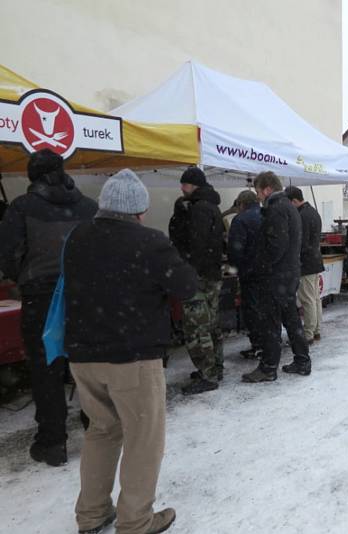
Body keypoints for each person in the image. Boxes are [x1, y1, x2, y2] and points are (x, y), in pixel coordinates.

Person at [64, 169, 196, 534]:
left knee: (101, 432)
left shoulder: (77, 236)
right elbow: (186, 285)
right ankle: (135, 521)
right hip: (132, 358)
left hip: (83, 355)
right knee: (143, 438)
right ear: (139, 210)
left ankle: (91, 515)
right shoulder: (149, 242)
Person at [0, 149, 97, 466]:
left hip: (41, 297)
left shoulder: (21, 208)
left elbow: (8, 257)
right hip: (85, 295)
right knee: (87, 363)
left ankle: (53, 442)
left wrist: (27, 278)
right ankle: (95, 425)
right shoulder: (88, 206)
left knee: (45, 369)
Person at [242, 172, 311, 382]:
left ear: (267, 189)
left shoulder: (276, 209)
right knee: (291, 319)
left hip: (276, 277)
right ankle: (302, 360)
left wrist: (260, 266)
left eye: (258, 192)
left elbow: (276, 246)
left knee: (270, 323)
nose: (258, 197)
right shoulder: (289, 207)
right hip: (288, 274)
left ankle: (269, 366)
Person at [169, 167, 225, 395]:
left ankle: (208, 373)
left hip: (197, 275)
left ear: (193, 185)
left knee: (196, 325)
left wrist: (178, 216)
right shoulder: (212, 206)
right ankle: (215, 367)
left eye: (184, 185)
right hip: (212, 273)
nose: (182, 189)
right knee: (211, 322)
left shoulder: (197, 209)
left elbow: (193, 242)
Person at [285, 186, 324, 344]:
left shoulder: (301, 216)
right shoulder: (313, 211)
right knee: (315, 298)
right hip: (314, 260)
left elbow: (301, 243)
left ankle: (308, 333)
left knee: (307, 299)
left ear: (294, 201)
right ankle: (316, 330)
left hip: (306, 262)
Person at [226, 190, 262, 359]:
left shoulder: (240, 220)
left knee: (252, 309)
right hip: (267, 272)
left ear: (241, 204)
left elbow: (235, 250)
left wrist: (233, 268)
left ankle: (258, 344)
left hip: (249, 272)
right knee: (265, 309)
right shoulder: (266, 214)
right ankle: (266, 342)